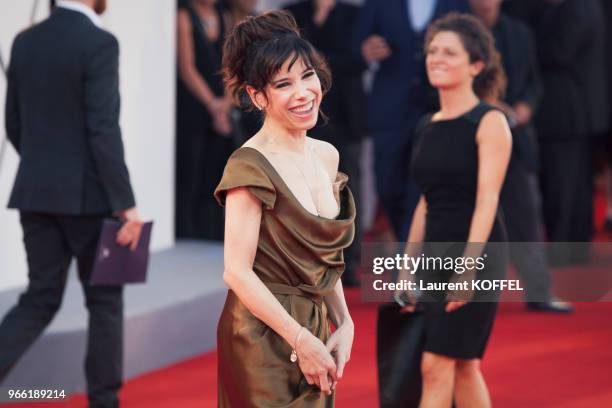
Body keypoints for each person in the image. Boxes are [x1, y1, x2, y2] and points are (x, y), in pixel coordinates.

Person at [1, 1, 142, 407]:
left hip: (35, 193)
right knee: (105, 302)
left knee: (39, 298)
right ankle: (103, 402)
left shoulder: (25, 41)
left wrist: (46, 169)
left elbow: (14, 123)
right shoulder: (99, 43)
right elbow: (103, 130)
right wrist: (126, 204)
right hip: (91, 199)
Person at [214, 10, 355, 407]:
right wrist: (300, 339)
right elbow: (236, 272)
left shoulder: (326, 155)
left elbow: (323, 258)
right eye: (284, 84)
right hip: (260, 332)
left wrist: (344, 321)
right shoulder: (249, 165)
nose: (303, 92)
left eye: (308, 75)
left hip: (313, 324)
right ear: (258, 96)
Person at [400, 13, 512, 407]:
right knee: (463, 364)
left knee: (436, 364)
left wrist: (468, 270)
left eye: (449, 52)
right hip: (435, 253)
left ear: (476, 65)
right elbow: (426, 200)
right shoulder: (427, 124)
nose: (437, 58)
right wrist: (406, 267)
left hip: (477, 254)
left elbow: (487, 199)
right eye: (432, 51)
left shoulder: (491, 122)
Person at [469, 0, 573, 313]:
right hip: (467, 139)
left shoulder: (519, 32)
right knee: (462, 217)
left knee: (526, 217)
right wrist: (487, 106)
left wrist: (526, 107)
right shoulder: (458, 34)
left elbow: (533, 82)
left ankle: (539, 291)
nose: (484, 3)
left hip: (515, 140)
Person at [352, 0, 467, 241]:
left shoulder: (456, 3)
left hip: (437, 110)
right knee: (387, 187)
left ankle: (409, 259)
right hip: (389, 110)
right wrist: (365, 51)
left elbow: (471, 48)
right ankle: (407, 244)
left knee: (423, 191)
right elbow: (354, 46)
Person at [284, 0, 366, 287]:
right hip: (303, 115)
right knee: (303, 187)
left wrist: (314, 58)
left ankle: (350, 261)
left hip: (347, 115)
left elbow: (360, 59)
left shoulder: (355, 15)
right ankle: (309, 259)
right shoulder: (291, 13)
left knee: (347, 189)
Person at [176, 0, 234, 240]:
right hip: (193, 109)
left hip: (221, 108)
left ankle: (211, 235)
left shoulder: (224, 15)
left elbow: (232, 64)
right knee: (191, 174)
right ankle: (187, 234)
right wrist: (213, 105)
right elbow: (186, 68)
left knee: (217, 178)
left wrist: (227, 102)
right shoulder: (184, 15)